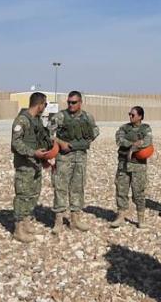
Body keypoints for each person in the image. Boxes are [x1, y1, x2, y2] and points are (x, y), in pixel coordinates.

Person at [50, 90, 100, 234]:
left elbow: (95, 130)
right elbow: (48, 134)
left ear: (80, 103)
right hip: (64, 157)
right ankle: (59, 220)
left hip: (80, 157)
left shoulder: (87, 117)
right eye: (69, 102)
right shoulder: (60, 116)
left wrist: (86, 141)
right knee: (60, 187)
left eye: (74, 102)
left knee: (78, 187)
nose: (71, 105)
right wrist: (61, 142)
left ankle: (75, 219)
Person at [11, 92, 53, 243]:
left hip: (35, 164)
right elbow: (16, 143)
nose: (45, 107)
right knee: (22, 196)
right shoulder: (22, 120)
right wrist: (33, 153)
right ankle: (17, 229)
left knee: (33, 194)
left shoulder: (36, 121)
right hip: (24, 165)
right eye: (45, 104)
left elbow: (39, 141)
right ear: (40, 104)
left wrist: (44, 159)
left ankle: (25, 221)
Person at [111, 106, 152, 227]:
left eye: (133, 115)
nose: (130, 116)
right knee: (121, 190)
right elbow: (119, 140)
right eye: (129, 114)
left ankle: (141, 219)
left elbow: (148, 141)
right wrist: (133, 145)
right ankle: (120, 217)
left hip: (138, 166)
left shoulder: (146, 128)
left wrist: (134, 147)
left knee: (138, 192)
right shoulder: (124, 128)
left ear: (140, 116)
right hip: (123, 164)